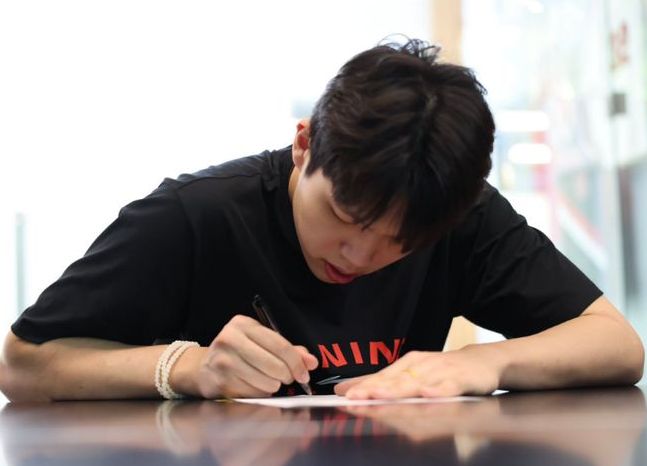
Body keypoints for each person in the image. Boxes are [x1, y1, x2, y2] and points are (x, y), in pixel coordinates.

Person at [0, 39, 643, 402]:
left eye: (400, 243)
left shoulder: (458, 215)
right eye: (343, 216)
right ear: (305, 144)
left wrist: (487, 364)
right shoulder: (192, 217)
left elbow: (617, 344)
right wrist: (185, 368)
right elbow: (21, 365)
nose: (359, 257)